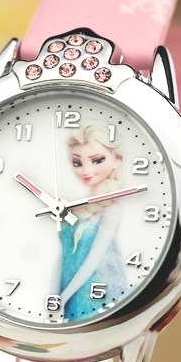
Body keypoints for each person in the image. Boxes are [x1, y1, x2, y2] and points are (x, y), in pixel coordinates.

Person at [58, 122, 127, 320]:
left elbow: (93, 261)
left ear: (117, 160)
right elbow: (63, 256)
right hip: (70, 290)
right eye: (77, 163)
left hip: (96, 294)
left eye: (97, 160)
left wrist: (62, 298)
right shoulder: (75, 209)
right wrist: (55, 296)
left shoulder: (110, 211)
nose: (86, 170)